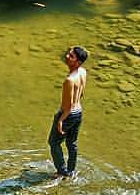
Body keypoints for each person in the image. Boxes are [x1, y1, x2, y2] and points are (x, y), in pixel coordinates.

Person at [48, 45, 88, 179]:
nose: (67, 57)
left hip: (69, 114)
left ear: (78, 62)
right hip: (79, 112)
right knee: (72, 143)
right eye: (69, 54)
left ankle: (61, 171)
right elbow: (82, 93)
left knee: (53, 142)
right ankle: (71, 171)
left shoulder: (69, 81)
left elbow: (68, 105)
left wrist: (60, 120)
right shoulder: (83, 72)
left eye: (71, 56)